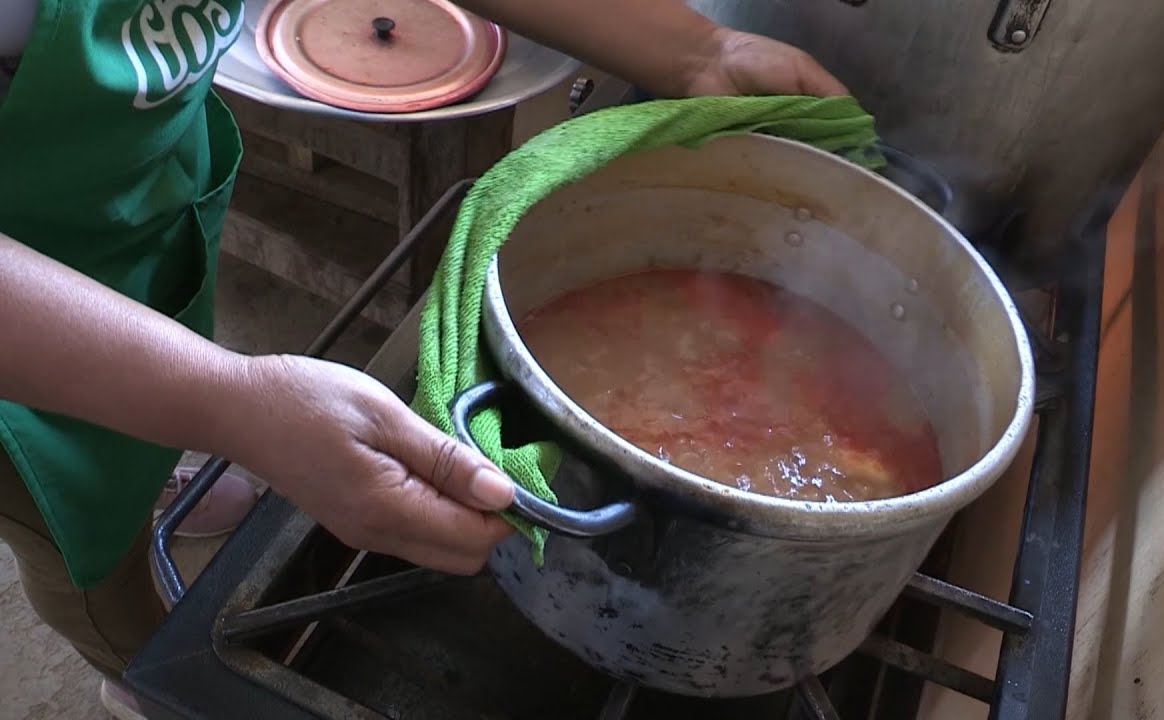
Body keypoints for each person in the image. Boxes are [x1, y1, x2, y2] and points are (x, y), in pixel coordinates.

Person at [0, 0, 847, 717]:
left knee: (143, 430)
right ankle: (133, 669)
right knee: (84, 547)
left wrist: (698, 50)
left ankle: (159, 473)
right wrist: (227, 401)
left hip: (136, 209)